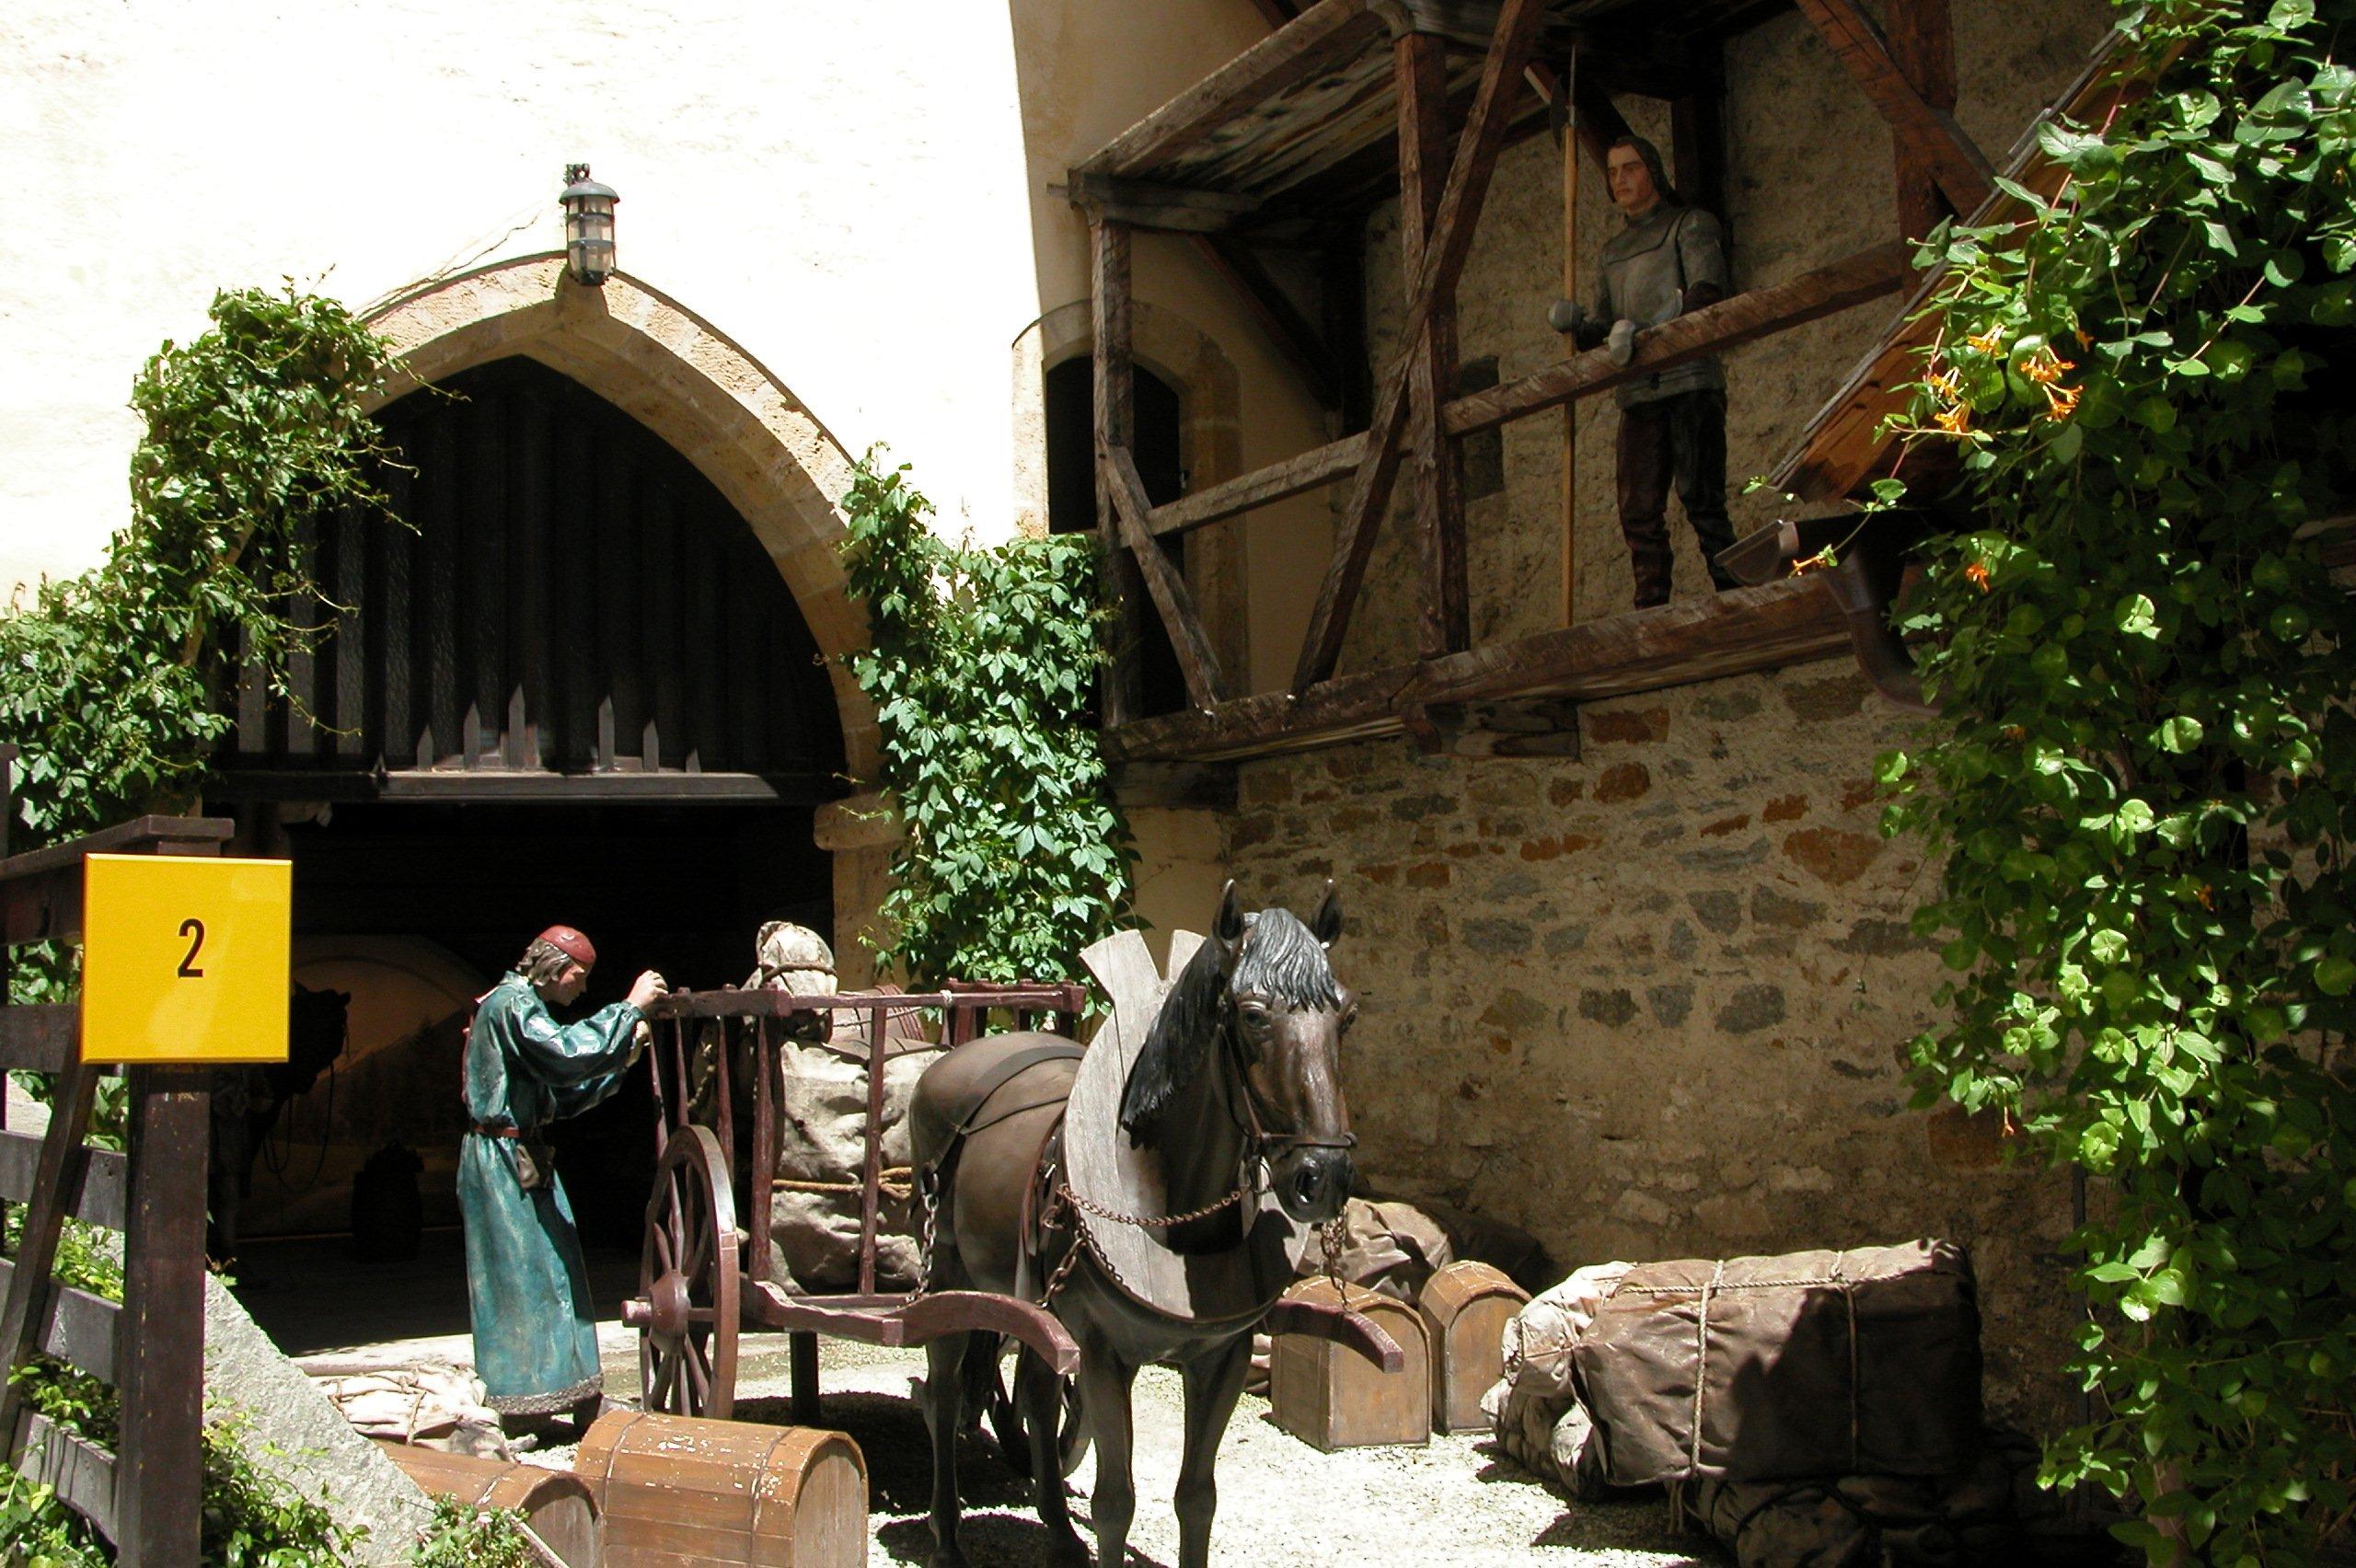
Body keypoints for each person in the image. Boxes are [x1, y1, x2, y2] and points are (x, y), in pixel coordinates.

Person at [458, 925, 664, 1433]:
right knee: (518, 1282)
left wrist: (622, 1056)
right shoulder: (511, 1005)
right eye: (580, 975)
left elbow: (559, 1095)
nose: (583, 987)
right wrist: (628, 1010)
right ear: (555, 967)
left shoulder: (521, 1007)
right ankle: (518, 1406)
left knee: (556, 1274)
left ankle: (577, 1396)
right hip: (501, 1162)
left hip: (523, 1154)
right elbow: (567, 1056)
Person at [1548, 134, 1742, 609]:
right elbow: (1605, 328)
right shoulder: (1612, 253)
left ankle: (1734, 594)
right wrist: (1578, 324)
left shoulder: (1689, 225)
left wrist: (1647, 334)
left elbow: (1704, 295)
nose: (1621, 179)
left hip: (1688, 378)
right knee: (1637, 509)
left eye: (1630, 167)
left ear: (1652, 170)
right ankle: (1651, 606)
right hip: (1638, 391)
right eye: (1613, 171)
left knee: (1702, 498)